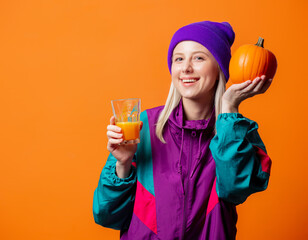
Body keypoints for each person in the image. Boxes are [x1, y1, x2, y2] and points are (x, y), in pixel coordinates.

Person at [93, 21, 272, 240]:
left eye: (198, 58)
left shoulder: (237, 132)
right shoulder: (143, 127)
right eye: (179, 58)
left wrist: (229, 110)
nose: (186, 68)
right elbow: (106, 216)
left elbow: (235, 189)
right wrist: (122, 164)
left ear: (220, 70)